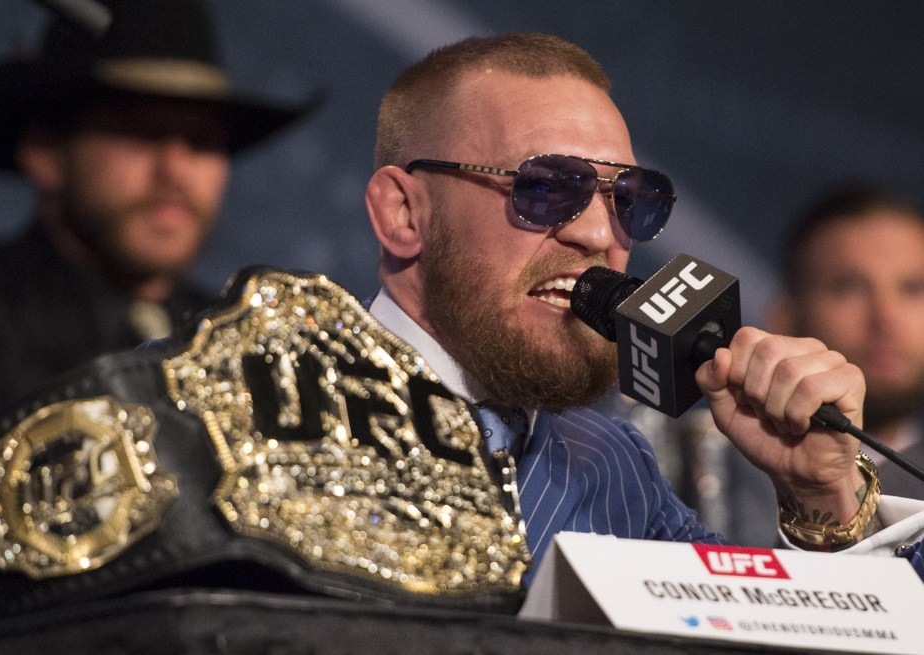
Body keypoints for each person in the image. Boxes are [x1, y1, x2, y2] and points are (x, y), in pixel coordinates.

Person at [361, 32, 924, 582]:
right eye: (545, 188)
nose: (600, 233)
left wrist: (819, 496)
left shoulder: (614, 464)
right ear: (404, 214)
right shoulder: (287, 408)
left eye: (628, 200)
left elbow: (755, 630)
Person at [0, 0, 315, 426]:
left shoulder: (246, 350)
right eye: (139, 132)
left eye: (203, 141)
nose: (177, 170)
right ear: (45, 153)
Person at [768, 184, 924, 500]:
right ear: (785, 318)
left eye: (911, 288)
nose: (886, 318)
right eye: (849, 289)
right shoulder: (702, 473)